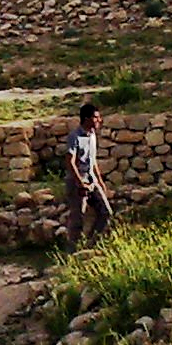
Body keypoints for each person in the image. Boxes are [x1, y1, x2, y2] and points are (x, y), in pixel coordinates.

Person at [66, 102, 113, 245]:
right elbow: (70, 161)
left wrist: (100, 181)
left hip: (91, 180)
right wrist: (80, 183)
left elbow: (93, 161)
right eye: (96, 117)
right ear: (86, 119)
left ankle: (91, 243)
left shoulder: (92, 135)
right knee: (78, 219)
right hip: (78, 182)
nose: (99, 120)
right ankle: (72, 251)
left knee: (106, 212)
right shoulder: (75, 137)